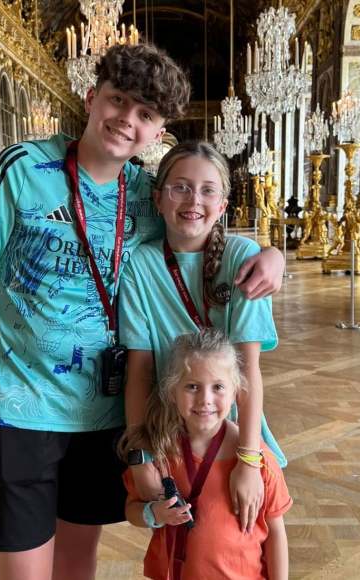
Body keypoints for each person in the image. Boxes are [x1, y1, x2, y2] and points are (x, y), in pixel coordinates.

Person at [0, 44, 286, 580]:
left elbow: (198, 229)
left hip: (102, 415)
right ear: (91, 98)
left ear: (157, 133)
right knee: (22, 569)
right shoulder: (22, 168)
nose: (127, 119)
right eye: (118, 100)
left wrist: (272, 255)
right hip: (21, 407)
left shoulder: (148, 194)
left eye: (145, 114)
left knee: (77, 562)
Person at [119, 141, 286, 534]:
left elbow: (248, 371)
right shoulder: (140, 265)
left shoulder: (243, 258)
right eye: (180, 187)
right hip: (170, 438)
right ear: (158, 199)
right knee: (185, 547)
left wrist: (249, 461)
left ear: (222, 205)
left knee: (249, 539)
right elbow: (139, 371)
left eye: (208, 190)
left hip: (235, 434)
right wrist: (141, 457)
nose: (194, 200)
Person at [122, 330, 291, 580]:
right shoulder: (160, 452)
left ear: (236, 393)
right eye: (192, 387)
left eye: (218, 387)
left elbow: (276, 533)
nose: (205, 399)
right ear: (172, 391)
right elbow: (132, 510)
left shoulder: (260, 461)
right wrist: (153, 513)